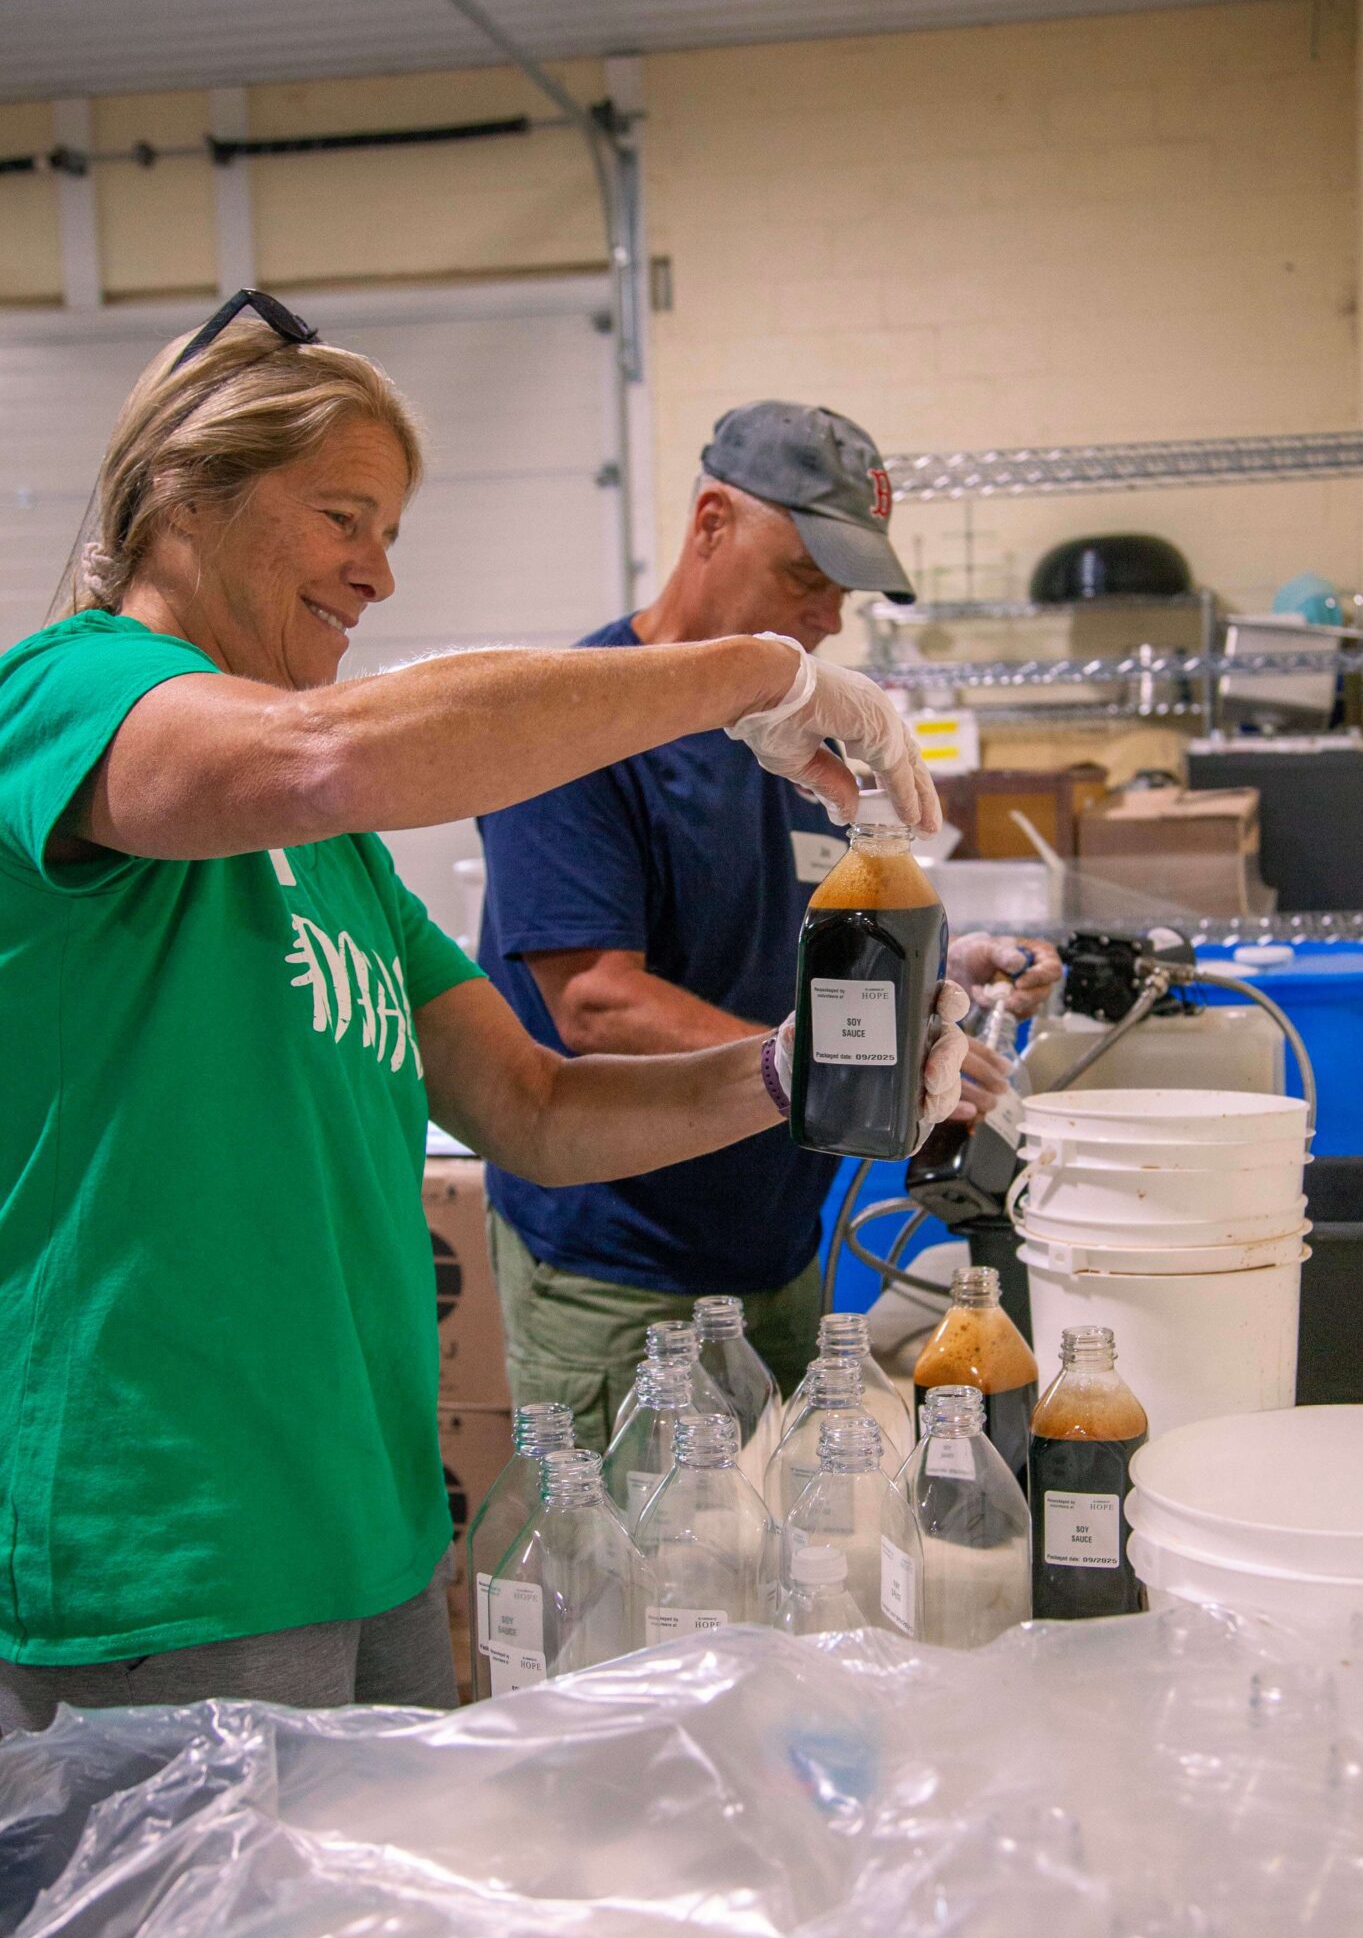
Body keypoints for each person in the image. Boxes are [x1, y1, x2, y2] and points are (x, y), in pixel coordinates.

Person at [0, 301, 968, 1731]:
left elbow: (535, 1108)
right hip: (170, 1542)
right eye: (343, 516)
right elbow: (325, 757)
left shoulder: (335, 867)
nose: (378, 574)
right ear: (182, 497)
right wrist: (760, 671)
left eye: (390, 531)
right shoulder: (66, 695)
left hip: (368, 1529)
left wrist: (786, 1070)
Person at [478, 400, 1062, 1435]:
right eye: (804, 576)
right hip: (625, 1273)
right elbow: (599, 1006)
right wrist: (852, 1065)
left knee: (785, 1561)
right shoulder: (574, 729)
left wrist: (937, 970)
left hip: (781, 1250)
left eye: (843, 590)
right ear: (711, 522)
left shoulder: (799, 736)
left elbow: (814, 949)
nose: (829, 617)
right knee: (630, 1576)